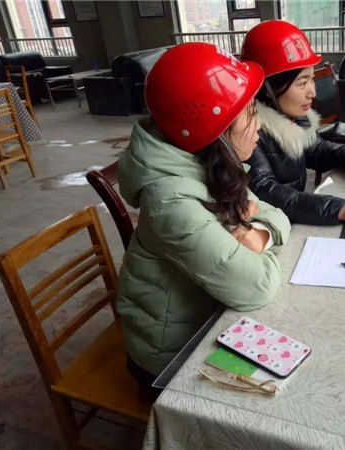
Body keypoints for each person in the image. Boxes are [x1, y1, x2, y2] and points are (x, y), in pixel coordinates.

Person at [115, 42, 291, 385]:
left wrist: (259, 234)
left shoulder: (208, 162)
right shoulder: (171, 202)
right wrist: (253, 236)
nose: (259, 126)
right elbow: (256, 288)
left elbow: (278, 214)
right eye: (250, 114)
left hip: (210, 317)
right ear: (215, 128)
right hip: (169, 355)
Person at [241, 20, 345, 226]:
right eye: (302, 83)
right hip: (271, 230)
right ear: (269, 87)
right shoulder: (247, 132)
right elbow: (268, 192)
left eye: (312, 79)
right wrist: (342, 209)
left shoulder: (289, 115)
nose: (312, 92)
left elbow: (315, 149)